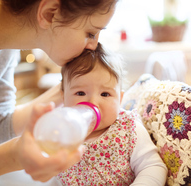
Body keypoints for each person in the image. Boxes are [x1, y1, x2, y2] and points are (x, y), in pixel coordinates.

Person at [0, 0, 118, 185]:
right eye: (90, 33)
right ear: (50, 13)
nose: (94, 45)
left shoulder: (6, 38)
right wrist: (14, 156)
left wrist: (72, 89)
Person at [57, 43, 167, 185]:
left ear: (119, 99)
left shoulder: (128, 129)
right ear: (63, 97)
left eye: (105, 94)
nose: (93, 102)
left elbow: (152, 167)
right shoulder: (61, 131)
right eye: (80, 93)